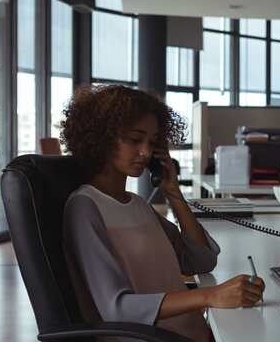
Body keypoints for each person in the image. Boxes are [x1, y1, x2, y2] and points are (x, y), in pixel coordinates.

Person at [61, 85, 265, 342]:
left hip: (190, 334)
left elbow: (200, 261)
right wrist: (210, 295)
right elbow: (116, 307)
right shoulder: (85, 207)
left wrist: (173, 191)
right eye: (136, 139)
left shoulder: (137, 205)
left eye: (153, 142)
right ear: (101, 137)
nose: (146, 152)